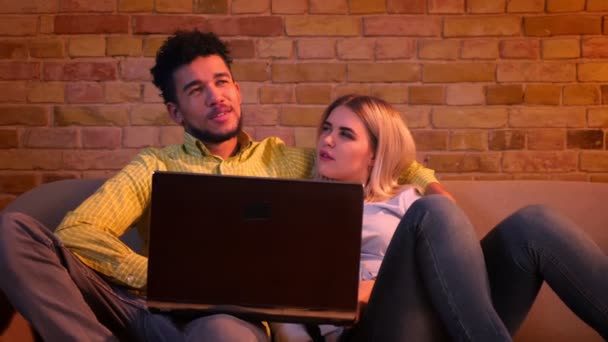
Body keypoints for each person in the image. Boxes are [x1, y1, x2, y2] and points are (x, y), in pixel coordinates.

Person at [0, 31, 447, 341]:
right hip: (141, 311)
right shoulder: (155, 165)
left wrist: (433, 189)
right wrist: (159, 276)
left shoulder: (287, 160)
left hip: (227, 320)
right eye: (196, 90)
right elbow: (77, 232)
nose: (216, 97)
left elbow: (378, 157)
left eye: (221, 82)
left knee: (225, 333)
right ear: (177, 113)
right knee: (13, 231)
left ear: (237, 88)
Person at [271, 94, 608, 341]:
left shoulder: (407, 199)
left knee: (535, 224)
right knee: (435, 210)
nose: (327, 140)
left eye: (345, 134)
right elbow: (283, 300)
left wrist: (372, 285)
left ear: (375, 153)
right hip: (374, 331)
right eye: (327, 129)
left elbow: (457, 273)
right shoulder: (306, 210)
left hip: (449, 318)